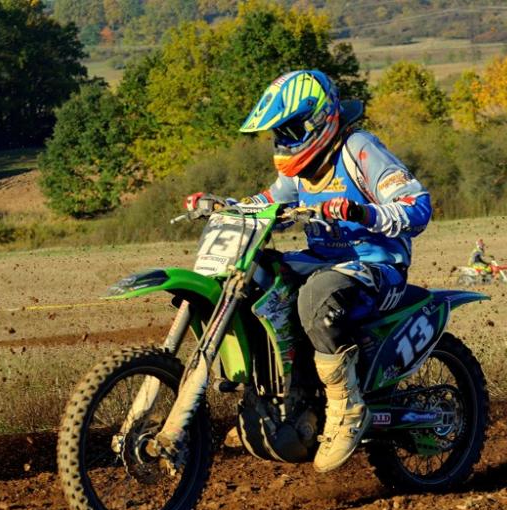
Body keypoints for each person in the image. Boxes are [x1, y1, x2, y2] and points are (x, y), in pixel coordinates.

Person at [185, 70, 431, 472]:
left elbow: (417, 206)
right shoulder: (298, 170)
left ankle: (347, 409)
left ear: (319, 120)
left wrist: (362, 212)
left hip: (377, 265)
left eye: (291, 130)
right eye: (279, 133)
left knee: (317, 295)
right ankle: (272, 399)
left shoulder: (358, 149)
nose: (284, 141)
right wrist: (224, 205)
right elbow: (268, 203)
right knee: (260, 275)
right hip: (324, 260)